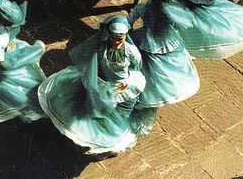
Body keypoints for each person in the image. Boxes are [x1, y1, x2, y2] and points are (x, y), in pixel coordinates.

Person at [38, 15, 156, 157]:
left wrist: (127, 80)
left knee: (119, 117)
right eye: (113, 37)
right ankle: (97, 141)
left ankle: (113, 144)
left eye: (120, 38)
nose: (116, 42)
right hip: (103, 86)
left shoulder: (131, 52)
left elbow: (137, 67)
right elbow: (95, 64)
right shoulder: (101, 49)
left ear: (126, 36)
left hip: (124, 89)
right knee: (94, 114)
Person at [128, 0, 200, 107]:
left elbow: (129, 21)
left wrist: (129, 35)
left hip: (145, 41)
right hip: (169, 43)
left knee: (145, 67)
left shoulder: (142, 7)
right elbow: (181, 28)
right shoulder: (175, 12)